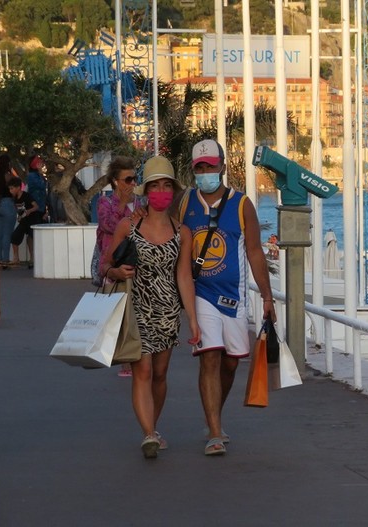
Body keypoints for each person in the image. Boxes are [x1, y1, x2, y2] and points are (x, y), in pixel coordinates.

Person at [178, 139, 276, 456]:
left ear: (222, 166)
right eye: (200, 168)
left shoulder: (241, 204)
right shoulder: (185, 203)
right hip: (201, 293)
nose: (206, 172)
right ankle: (216, 433)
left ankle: (213, 415)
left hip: (234, 298)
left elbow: (254, 252)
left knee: (232, 363)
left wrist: (267, 296)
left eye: (210, 166)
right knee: (209, 357)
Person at [102, 156, 200, 459]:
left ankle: (153, 428)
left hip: (168, 310)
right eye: (154, 185)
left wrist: (193, 322)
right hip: (136, 308)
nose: (160, 191)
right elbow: (105, 264)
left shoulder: (182, 232)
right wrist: (116, 272)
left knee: (160, 374)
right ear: (146, 190)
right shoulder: (128, 226)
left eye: (166, 186)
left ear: (173, 190)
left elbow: (183, 276)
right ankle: (147, 434)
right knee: (142, 369)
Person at [95, 156, 142, 377]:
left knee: (135, 313)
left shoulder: (141, 203)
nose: (132, 184)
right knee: (118, 315)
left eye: (135, 179)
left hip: (136, 266)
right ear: (115, 181)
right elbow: (110, 225)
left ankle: (134, 359)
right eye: (128, 179)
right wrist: (123, 204)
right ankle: (124, 360)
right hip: (112, 265)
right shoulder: (105, 202)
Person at [8, 177, 40, 267]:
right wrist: (19, 217)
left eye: (12, 188)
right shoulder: (15, 198)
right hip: (23, 221)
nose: (11, 191)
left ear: (18, 187)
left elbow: (36, 206)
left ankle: (32, 258)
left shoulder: (26, 196)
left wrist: (29, 211)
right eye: (9, 189)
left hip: (32, 220)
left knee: (30, 238)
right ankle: (16, 258)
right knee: (14, 237)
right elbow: (18, 210)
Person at [0, 154, 18, 269]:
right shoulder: (8, 175)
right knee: (7, 234)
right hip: (7, 203)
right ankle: (5, 260)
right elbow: (14, 189)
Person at [26, 156, 48, 224]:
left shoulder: (37, 175)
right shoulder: (32, 175)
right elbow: (42, 185)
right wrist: (41, 172)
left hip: (41, 205)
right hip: (36, 205)